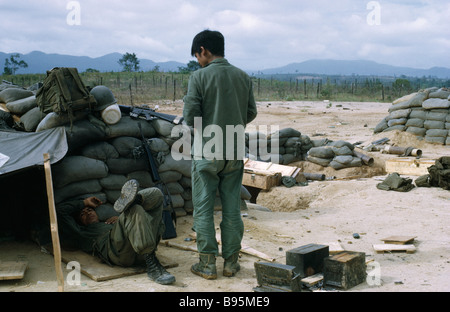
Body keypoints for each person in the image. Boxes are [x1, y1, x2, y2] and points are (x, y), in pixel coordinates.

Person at [183, 30, 258, 279]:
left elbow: (190, 116)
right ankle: (231, 263)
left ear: (203, 50)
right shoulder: (243, 77)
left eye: (197, 55)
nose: (198, 60)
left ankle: (206, 264)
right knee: (232, 210)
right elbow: (250, 113)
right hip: (234, 151)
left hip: (207, 151)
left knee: (203, 210)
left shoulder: (199, 77)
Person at [56, 179, 176, 285]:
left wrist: (122, 221)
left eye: (89, 210)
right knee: (134, 209)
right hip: (117, 253)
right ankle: (153, 266)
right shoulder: (80, 231)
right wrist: (84, 203)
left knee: (157, 194)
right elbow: (60, 212)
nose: (88, 213)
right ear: (80, 222)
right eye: (83, 214)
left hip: (138, 247)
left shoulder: (109, 222)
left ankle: (135, 200)